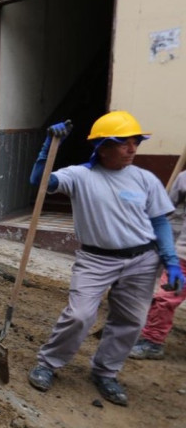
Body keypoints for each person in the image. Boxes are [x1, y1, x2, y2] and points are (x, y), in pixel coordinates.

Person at [26, 112, 184, 406]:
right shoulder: (80, 176)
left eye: (135, 141)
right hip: (96, 260)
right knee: (79, 315)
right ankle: (48, 363)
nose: (132, 148)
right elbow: (40, 181)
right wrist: (48, 146)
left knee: (130, 321)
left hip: (142, 260)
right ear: (102, 146)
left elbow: (159, 222)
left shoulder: (144, 179)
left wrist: (171, 261)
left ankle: (105, 372)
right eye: (124, 142)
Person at [130, 169, 186, 360]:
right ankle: (152, 341)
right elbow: (166, 210)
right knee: (166, 298)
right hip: (184, 256)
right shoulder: (184, 178)